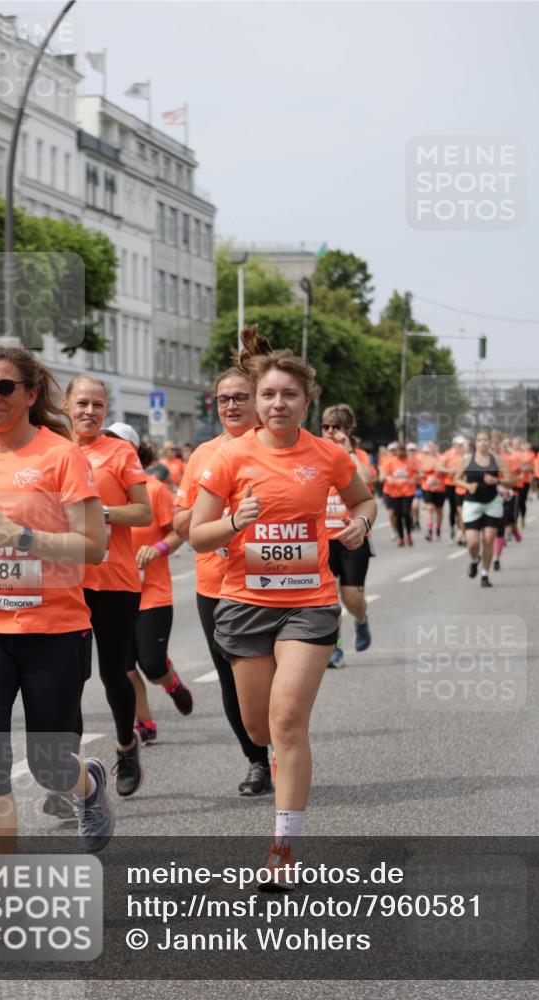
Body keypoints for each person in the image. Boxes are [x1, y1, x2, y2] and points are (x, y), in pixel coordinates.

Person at [190, 329, 376, 876]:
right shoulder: (229, 458)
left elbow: (363, 500)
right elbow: (198, 535)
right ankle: (272, 764)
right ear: (255, 399)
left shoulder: (326, 455)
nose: (277, 404)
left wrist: (360, 525)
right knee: (258, 729)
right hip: (244, 602)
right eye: (268, 394)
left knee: (289, 721)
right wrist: (232, 523)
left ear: (306, 400)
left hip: (309, 604)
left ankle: (284, 846)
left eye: (288, 395)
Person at [0, 346, 114, 853]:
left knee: (50, 766)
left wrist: (25, 538)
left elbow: (94, 546)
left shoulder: (62, 456)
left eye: (4, 387)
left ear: (31, 394)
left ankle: (88, 784)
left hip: (53, 631)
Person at [173, 358, 273, 796]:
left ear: (257, 400)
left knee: (276, 680)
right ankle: (257, 761)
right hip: (216, 585)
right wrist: (220, 517)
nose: (231, 406)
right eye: (223, 399)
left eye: (240, 398)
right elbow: (180, 525)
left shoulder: (280, 449)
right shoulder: (202, 455)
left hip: (276, 583)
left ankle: (284, 747)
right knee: (233, 679)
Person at [63, 377, 152, 797]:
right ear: (66, 405)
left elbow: (143, 512)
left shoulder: (119, 452)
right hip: (64, 583)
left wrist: (101, 512)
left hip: (114, 580)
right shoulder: (51, 450)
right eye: (82, 403)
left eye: (98, 405)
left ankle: (125, 745)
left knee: (113, 673)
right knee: (66, 680)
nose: (90, 411)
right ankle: (72, 773)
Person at [114, 430, 191, 745]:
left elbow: (178, 533)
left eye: (122, 447)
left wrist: (157, 549)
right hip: (115, 592)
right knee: (125, 666)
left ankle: (170, 683)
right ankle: (144, 721)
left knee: (152, 664)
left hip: (153, 592)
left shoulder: (155, 490)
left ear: (135, 453)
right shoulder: (96, 493)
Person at [320, 405, 374, 667]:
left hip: (352, 537)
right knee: (328, 601)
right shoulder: (315, 453)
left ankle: (361, 619)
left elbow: (367, 480)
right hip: (322, 540)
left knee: (351, 598)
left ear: (348, 430)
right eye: (326, 427)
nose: (330, 432)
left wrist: (348, 452)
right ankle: (336, 649)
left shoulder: (358, 455)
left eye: (337, 427)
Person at [455, 430, 511, 588]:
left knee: (488, 540)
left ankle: (485, 574)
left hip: (492, 503)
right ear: (476, 443)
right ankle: (474, 560)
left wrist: (497, 480)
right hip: (472, 503)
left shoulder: (497, 460)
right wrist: (467, 485)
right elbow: (456, 479)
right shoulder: (467, 460)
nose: (483, 443)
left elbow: (511, 480)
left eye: (486, 440)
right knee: (472, 543)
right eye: (480, 440)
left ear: (490, 443)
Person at [380, 442, 419, 547]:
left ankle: (409, 535)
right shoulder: (391, 462)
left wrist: (413, 479)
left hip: (407, 492)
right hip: (395, 493)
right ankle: (401, 538)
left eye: (402, 450)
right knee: (398, 516)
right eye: (399, 450)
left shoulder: (410, 462)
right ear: (396, 452)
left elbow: (418, 473)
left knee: (406, 513)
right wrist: (389, 478)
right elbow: (383, 476)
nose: (400, 453)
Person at [420, 441, 446, 541]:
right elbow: (420, 471)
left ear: (437, 448)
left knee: (439, 510)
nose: (432, 449)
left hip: (440, 487)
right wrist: (424, 477)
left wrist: (438, 474)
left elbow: (444, 471)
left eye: (434, 447)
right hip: (427, 487)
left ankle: (438, 528)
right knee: (429, 508)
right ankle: (429, 531)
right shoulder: (424, 459)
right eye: (430, 447)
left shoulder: (442, 458)